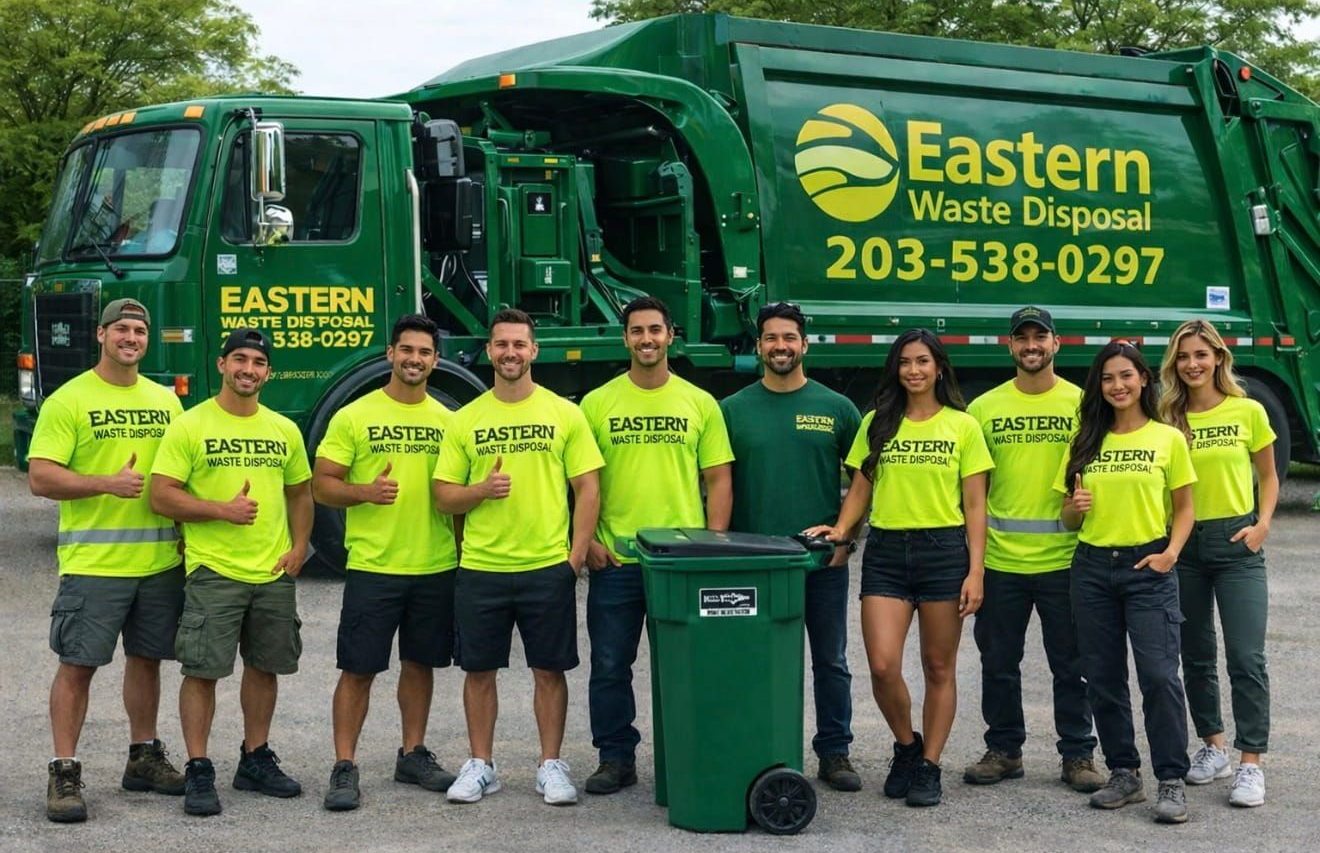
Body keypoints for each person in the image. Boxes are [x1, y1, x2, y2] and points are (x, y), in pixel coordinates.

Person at [807, 328, 992, 807]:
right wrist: (842, 531)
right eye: (905, 362)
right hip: (887, 553)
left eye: (923, 362)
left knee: (938, 666)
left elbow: (975, 506)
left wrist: (976, 571)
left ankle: (929, 765)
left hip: (944, 552)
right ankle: (906, 747)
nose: (914, 370)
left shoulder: (962, 426)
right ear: (896, 368)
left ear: (938, 368)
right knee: (884, 665)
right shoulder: (878, 421)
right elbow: (861, 491)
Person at [433, 308, 603, 806]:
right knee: (478, 671)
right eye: (501, 344)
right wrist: (481, 489)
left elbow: (587, 488)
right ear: (489, 351)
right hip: (482, 566)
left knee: (550, 670)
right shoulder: (466, 419)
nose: (510, 353)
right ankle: (481, 765)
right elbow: (443, 496)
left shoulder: (563, 413)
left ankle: (551, 766)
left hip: (545, 565)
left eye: (519, 344)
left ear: (534, 351)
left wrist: (572, 560)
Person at [28, 298, 186, 822]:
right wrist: (104, 483)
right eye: (121, 328)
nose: (131, 338)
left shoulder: (166, 402)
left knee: (148, 661)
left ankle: (143, 756)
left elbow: (178, 476)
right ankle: (64, 771)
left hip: (159, 562)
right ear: (101, 335)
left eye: (140, 330)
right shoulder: (69, 401)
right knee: (77, 667)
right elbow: (41, 477)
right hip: (94, 564)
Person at [150, 328, 314, 817]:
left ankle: (255, 758)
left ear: (268, 372)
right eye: (239, 359)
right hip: (213, 571)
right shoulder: (191, 426)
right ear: (221, 365)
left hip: (271, 573)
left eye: (258, 362)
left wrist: (300, 546)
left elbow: (300, 493)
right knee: (202, 671)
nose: (248, 369)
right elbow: (161, 495)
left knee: (264, 667)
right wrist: (221, 510)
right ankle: (199, 768)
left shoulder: (283, 429)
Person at [578, 296, 734, 795]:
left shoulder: (699, 402)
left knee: (686, 668)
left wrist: (712, 547)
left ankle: (686, 753)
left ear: (671, 336)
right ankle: (615, 758)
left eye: (655, 330)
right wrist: (585, 543)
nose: (647, 339)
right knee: (608, 665)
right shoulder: (597, 403)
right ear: (625, 339)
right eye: (637, 331)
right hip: (616, 559)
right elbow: (576, 481)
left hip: (681, 564)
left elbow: (719, 480)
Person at [313, 315, 461, 811]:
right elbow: (322, 485)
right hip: (374, 567)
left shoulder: (449, 421)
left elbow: (459, 495)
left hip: (435, 564)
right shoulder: (355, 416)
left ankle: (413, 754)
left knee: (420, 664)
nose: (414, 359)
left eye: (424, 352)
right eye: (407, 350)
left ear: (435, 360)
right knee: (359, 668)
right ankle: (344, 765)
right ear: (389, 354)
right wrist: (365, 492)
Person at [720, 301, 863, 792]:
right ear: (758, 346)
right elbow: (719, 484)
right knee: (755, 664)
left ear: (804, 344)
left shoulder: (837, 408)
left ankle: (835, 752)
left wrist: (848, 535)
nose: (781, 346)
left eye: (789, 338)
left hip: (819, 562)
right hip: (753, 566)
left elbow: (865, 476)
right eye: (771, 338)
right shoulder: (732, 411)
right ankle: (761, 749)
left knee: (831, 661)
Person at [962, 307, 1103, 793]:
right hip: (1002, 561)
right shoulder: (983, 409)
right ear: (1010, 347)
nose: (1030, 345)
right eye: (1021, 337)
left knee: (1073, 664)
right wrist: (974, 565)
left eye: (1039, 336)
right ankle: (1004, 750)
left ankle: (1079, 754)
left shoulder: (1084, 404)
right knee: (998, 663)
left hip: (1067, 561)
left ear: (1056, 343)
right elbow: (973, 493)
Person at [1054, 340, 1195, 824]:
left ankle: (1171, 780)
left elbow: (1185, 507)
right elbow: (1067, 519)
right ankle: (1125, 774)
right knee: (1104, 677)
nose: (1117, 386)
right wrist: (1070, 511)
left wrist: (1170, 554)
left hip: (1147, 565)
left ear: (1143, 380)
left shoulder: (1168, 437)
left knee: (1159, 675)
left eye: (1126, 376)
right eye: (1108, 378)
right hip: (1092, 568)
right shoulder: (1085, 440)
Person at [1158, 319, 1277, 808]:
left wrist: (1263, 523)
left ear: (1218, 359)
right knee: (1196, 654)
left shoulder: (1248, 411)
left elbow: (1269, 476)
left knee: (1246, 657)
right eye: (1183, 357)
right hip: (1185, 547)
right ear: (1174, 364)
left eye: (1201, 355)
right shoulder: (1166, 418)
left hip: (1237, 545)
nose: (1192, 364)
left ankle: (1251, 764)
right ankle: (1213, 747)